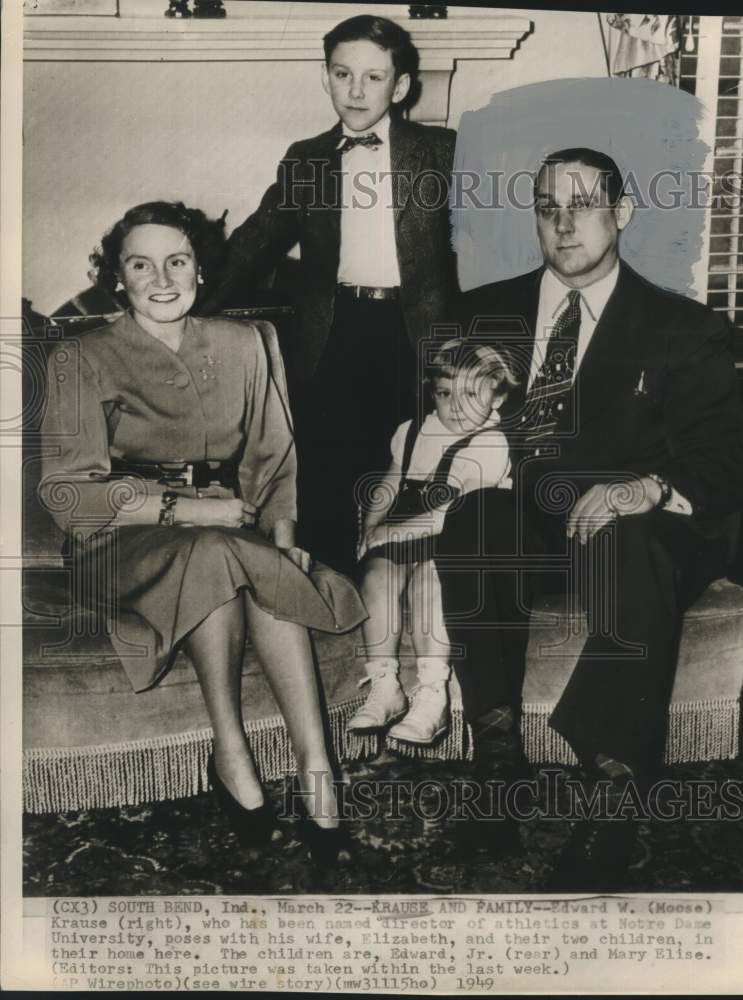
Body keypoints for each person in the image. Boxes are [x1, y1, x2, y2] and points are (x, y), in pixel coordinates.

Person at [434, 148, 743, 886]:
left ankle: (611, 794)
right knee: (478, 522)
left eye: (581, 204)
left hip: (646, 519)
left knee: (632, 538)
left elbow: (724, 464)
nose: (563, 223)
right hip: (540, 511)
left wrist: (643, 487)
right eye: (547, 207)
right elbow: (441, 423)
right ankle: (498, 767)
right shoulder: (488, 312)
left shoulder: (683, 327)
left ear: (621, 212)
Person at [38, 201, 366, 863]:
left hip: (228, 526)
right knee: (219, 548)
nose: (162, 277)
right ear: (118, 279)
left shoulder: (246, 342)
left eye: (177, 260)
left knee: (251, 556)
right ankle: (232, 747)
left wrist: (283, 528)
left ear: (200, 270)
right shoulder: (81, 356)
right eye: (140, 263)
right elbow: (68, 491)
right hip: (117, 537)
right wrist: (181, 509)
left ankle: (315, 764)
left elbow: (273, 456)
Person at [202, 14, 458, 575]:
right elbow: (255, 244)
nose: (357, 90)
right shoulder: (307, 157)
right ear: (326, 77)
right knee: (329, 474)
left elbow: (484, 250)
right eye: (343, 74)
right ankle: (333, 597)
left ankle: (410, 595)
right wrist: (193, 310)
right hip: (333, 332)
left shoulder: (442, 151)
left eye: (373, 77)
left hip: (420, 333)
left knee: (413, 468)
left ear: (401, 85)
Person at [348, 339, 516, 745]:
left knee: (431, 582)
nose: (455, 406)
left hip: (453, 542)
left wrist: (389, 532)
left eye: (471, 394)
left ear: (499, 396)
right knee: (377, 576)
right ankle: (384, 682)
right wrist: (369, 530)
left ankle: (431, 692)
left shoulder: (492, 442)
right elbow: (389, 484)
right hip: (403, 532)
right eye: (444, 394)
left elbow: (454, 513)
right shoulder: (412, 432)